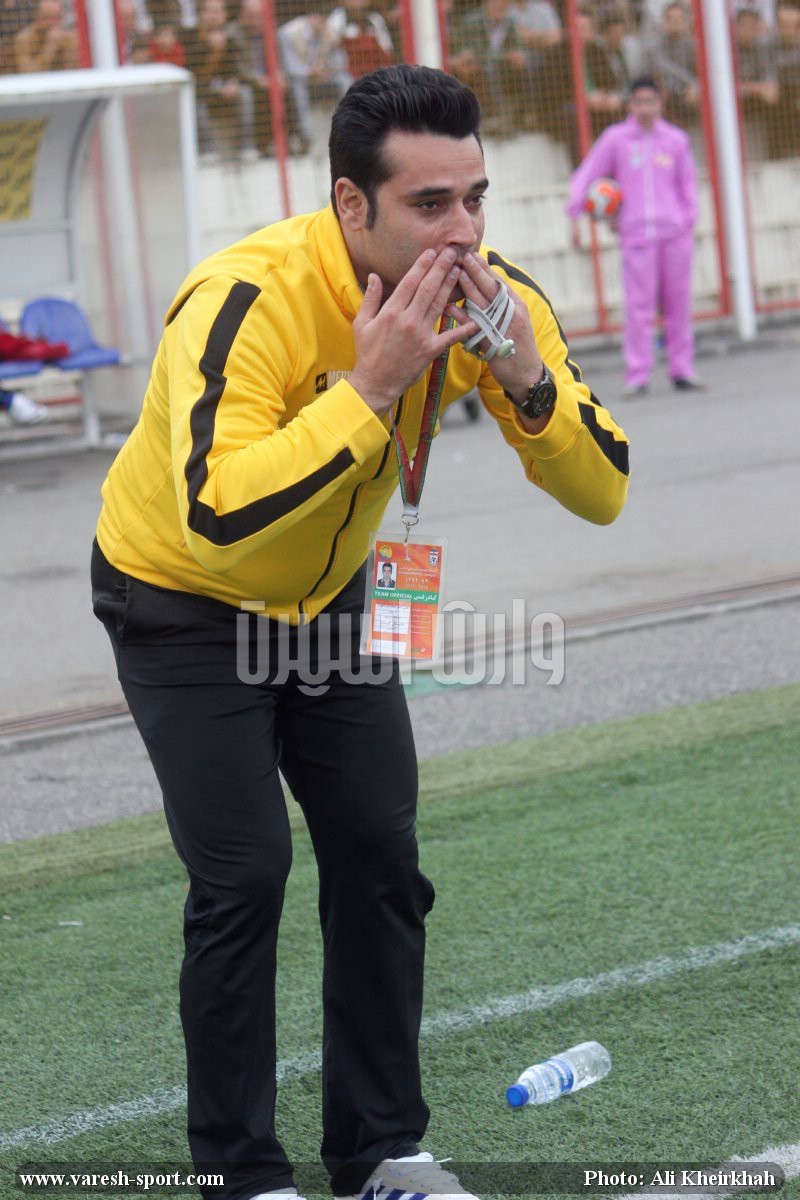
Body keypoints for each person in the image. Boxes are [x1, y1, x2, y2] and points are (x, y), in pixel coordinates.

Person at [91, 63, 630, 1200]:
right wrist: (367, 388)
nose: (462, 232)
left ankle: (380, 1152)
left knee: (381, 858)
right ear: (351, 204)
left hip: (330, 600)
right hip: (182, 600)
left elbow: (604, 492)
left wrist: (527, 379)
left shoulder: (493, 296)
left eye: (474, 199)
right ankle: (242, 1175)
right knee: (245, 876)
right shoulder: (242, 296)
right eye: (429, 205)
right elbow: (218, 521)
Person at [567, 75, 702, 395]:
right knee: (639, 308)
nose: (645, 108)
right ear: (630, 104)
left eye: (650, 101)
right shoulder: (616, 140)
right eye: (639, 102)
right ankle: (638, 374)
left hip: (674, 236)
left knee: (678, 305)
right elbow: (588, 174)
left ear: (660, 103)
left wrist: (686, 221)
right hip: (637, 236)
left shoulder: (675, 140)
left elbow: (688, 185)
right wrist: (575, 212)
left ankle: (682, 370)